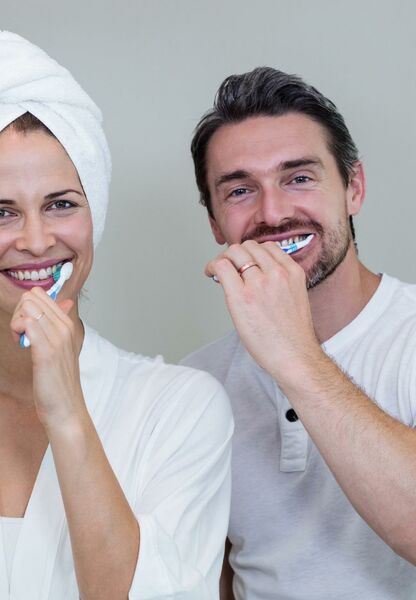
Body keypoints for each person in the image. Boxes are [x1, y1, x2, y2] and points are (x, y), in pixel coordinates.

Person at [182, 67, 416, 600]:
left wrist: (294, 356)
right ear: (215, 223)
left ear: (353, 188)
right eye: (241, 190)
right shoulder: (197, 383)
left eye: (299, 178)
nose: (274, 212)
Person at [0, 31, 232, 599]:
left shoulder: (178, 410)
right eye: (2, 213)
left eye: (61, 204)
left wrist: (67, 412)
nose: (36, 240)